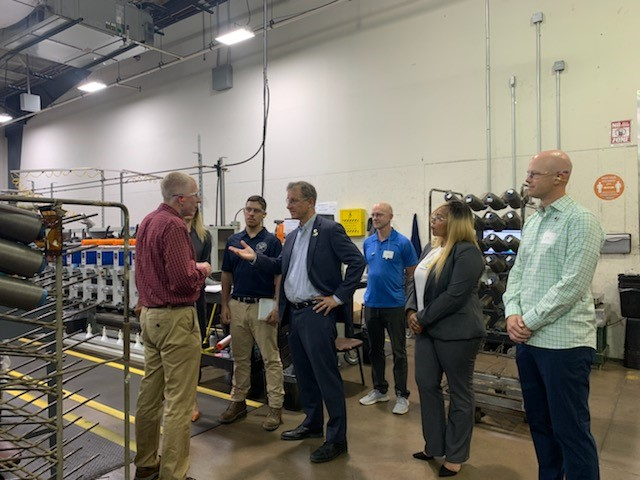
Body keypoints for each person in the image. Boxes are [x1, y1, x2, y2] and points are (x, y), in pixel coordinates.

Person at [229, 181, 365, 463]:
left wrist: (338, 298)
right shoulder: (292, 236)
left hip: (317, 313)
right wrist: (255, 258)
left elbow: (357, 262)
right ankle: (313, 424)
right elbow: (280, 267)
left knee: (327, 377)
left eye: (293, 200)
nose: (288, 205)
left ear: (310, 202)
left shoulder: (329, 230)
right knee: (305, 375)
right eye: (288, 200)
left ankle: (337, 439)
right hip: (296, 314)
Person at [503, 150, 604, 480]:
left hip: (564, 346)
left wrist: (527, 321)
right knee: (541, 427)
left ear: (561, 177)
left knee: (570, 430)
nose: (527, 180)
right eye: (527, 173)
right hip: (529, 344)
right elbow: (516, 274)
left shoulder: (582, 221)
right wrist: (511, 314)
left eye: (534, 174)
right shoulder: (532, 223)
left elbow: (572, 284)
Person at [133, 172, 212, 480]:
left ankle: (146, 462)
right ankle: (174, 474)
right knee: (179, 402)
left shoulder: (148, 222)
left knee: (149, 396)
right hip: (175, 319)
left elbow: (147, 271)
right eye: (195, 195)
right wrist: (202, 270)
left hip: (150, 316)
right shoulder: (175, 225)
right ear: (181, 199)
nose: (198, 200)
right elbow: (182, 281)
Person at [406, 199, 485, 478]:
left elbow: (455, 295)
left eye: (439, 217)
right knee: (427, 385)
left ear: (455, 221)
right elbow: (415, 283)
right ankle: (434, 445)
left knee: (459, 393)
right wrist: (411, 310)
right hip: (427, 330)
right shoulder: (431, 248)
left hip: (458, 333)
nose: (433, 221)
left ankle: (455, 455)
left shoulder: (467, 253)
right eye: (432, 216)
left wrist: (422, 318)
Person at [218, 195, 285, 431]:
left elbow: (278, 274)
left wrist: (277, 304)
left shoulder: (273, 241)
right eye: (248, 209)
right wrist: (225, 304)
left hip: (264, 303)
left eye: (256, 210)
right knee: (240, 357)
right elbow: (227, 273)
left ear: (264, 214)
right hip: (238, 304)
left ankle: (275, 407)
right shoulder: (235, 240)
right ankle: (238, 402)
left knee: (270, 358)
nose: (251, 214)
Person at [359, 202, 418, 415]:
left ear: (390, 216)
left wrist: (408, 302)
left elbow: (412, 273)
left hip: (394, 305)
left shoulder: (402, 243)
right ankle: (379, 390)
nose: (375, 218)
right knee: (375, 350)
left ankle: (402, 395)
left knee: (399, 352)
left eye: (380, 214)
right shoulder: (368, 243)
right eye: (373, 215)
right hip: (372, 304)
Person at [185, 207, 212, 423]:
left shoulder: (203, 236)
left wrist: (198, 272)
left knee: (194, 353)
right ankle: (175, 400)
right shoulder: (171, 231)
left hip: (196, 300)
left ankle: (192, 400)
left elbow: (206, 269)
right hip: (174, 302)